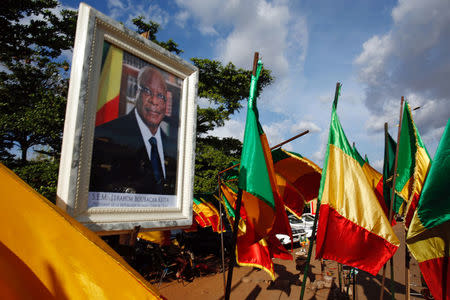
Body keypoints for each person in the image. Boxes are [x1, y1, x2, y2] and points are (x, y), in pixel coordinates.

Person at [89, 66, 177, 195]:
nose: (155, 101)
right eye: (147, 91)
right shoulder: (105, 133)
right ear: (136, 92)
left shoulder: (171, 146)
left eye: (161, 96)